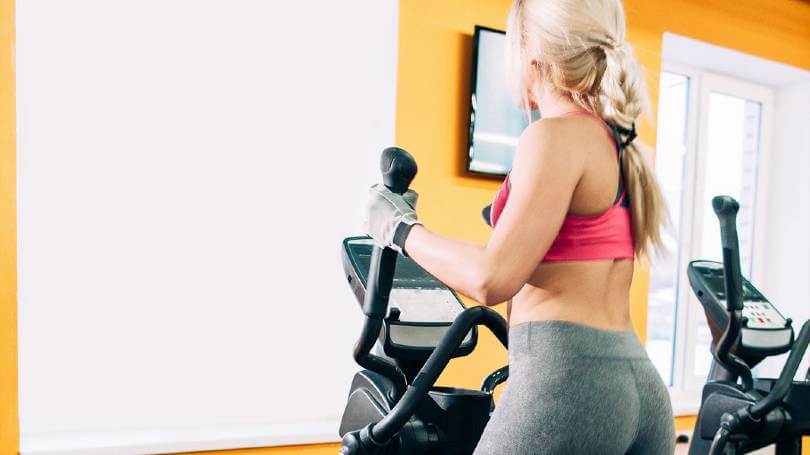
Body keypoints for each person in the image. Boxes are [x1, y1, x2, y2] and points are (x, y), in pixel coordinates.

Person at [365, 0, 676, 453]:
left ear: (534, 55)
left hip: (569, 384)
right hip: (638, 386)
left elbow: (491, 278)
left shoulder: (552, 136)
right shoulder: (618, 143)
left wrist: (397, 225)